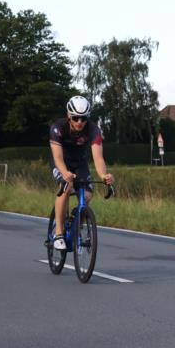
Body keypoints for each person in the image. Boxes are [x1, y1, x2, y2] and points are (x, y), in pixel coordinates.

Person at [49, 96, 114, 250]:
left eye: (83, 118)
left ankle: (77, 221)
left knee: (88, 195)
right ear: (68, 115)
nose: (79, 122)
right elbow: (57, 157)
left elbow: (98, 158)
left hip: (79, 162)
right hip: (61, 161)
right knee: (66, 187)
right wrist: (65, 173)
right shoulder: (58, 127)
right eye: (75, 118)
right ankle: (59, 233)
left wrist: (104, 175)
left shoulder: (93, 130)